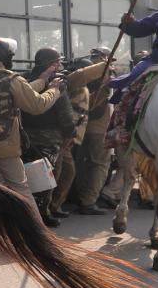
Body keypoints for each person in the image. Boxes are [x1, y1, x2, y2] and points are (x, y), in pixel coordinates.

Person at [0, 37, 61, 200]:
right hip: (4, 147)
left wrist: (42, 81)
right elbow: (36, 105)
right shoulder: (12, 79)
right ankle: (32, 225)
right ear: (5, 57)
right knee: (20, 188)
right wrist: (54, 90)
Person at [21, 48, 76, 227]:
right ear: (51, 64)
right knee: (48, 177)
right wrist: (70, 134)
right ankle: (42, 215)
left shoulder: (24, 79)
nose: (60, 65)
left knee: (25, 176)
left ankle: (28, 212)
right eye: (57, 62)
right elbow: (65, 112)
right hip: (50, 139)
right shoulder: (57, 82)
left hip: (24, 137)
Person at [48, 57, 108, 218]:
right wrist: (104, 65)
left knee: (66, 172)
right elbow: (82, 75)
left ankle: (53, 206)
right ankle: (48, 207)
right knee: (61, 172)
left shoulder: (82, 89)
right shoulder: (71, 83)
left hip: (69, 137)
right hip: (63, 136)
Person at [74, 48, 115, 215]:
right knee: (100, 164)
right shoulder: (104, 74)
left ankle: (80, 196)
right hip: (99, 128)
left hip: (82, 127)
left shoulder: (83, 73)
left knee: (83, 164)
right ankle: (88, 201)